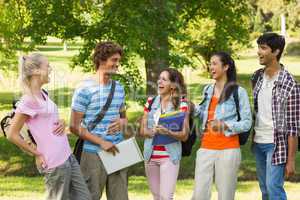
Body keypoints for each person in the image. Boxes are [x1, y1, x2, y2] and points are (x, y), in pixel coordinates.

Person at [7, 53, 91, 200]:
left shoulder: (43, 94)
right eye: (47, 66)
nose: (50, 69)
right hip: (54, 162)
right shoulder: (28, 100)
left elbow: (48, 122)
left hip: (67, 155)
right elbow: (12, 134)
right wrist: (37, 153)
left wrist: (62, 122)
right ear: (36, 71)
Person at [69, 41, 129, 200]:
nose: (118, 64)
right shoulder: (84, 89)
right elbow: (74, 127)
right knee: (90, 196)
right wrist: (102, 143)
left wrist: (123, 122)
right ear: (102, 60)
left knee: (120, 197)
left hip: (118, 150)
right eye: (114, 60)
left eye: (118, 60)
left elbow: (123, 117)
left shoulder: (119, 88)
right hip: (92, 153)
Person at [192, 52, 252, 200]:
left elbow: (247, 123)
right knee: (199, 194)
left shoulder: (238, 92)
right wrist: (191, 107)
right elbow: (203, 114)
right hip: (206, 148)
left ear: (225, 67)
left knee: (225, 195)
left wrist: (224, 125)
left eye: (214, 63)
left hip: (228, 149)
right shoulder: (208, 90)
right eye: (210, 64)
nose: (210, 67)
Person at [251, 32, 300, 200]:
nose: (259, 52)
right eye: (259, 47)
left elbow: (293, 126)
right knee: (265, 190)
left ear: (276, 52)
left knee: (274, 189)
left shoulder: (289, 84)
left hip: (276, 144)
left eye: (263, 48)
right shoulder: (257, 76)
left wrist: (291, 160)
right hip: (258, 142)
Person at [140, 68, 190, 200]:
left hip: (169, 156)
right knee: (157, 197)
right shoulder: (150, 102)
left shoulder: (181, 104)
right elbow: (142, 130)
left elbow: (184, 135)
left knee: (166, 197)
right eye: (159, 78)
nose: (159, 81)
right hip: (150, 156)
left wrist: (168, 132)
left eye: (164, 79)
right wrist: (152, 132)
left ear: (173, 85)